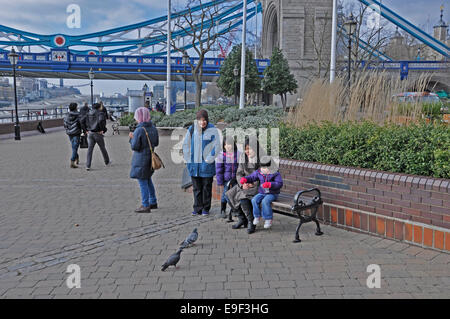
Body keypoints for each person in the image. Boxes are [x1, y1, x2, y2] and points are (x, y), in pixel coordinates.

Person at [183, 109, 221, 216]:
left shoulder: (212, 129)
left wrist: (209, 158)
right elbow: (186, 145)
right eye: (200, 120)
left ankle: (205, 208)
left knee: (206, 188)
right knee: (196, 188)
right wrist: (188, 160)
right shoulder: (191, 129)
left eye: (204, 120)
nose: (202, 122)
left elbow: (217, 145)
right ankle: (197, 208)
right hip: (194, 165)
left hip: (206, 165)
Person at [226, 136, 263, 234]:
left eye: (249, 149)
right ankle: (242, 218)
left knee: (243, 197)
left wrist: (252, 184)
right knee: (229, 194)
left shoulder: (262, 159)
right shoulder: (243, 157)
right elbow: (239, 173)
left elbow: (264, 176)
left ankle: (251, 221)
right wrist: (242, 184)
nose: (247, 151)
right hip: (244, 184)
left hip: (258, 186)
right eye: (245, 149)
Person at [129, 107, 159, 213]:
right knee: (148, 179)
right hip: (150, 159)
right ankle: (153, 201)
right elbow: (156, 142)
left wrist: (132, 138)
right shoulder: (153, 128)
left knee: (142, 182)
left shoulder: (139, 129)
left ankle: (145, 205)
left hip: (141, 159)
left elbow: (135, 146)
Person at [240, 157, 283, 230]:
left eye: (265, 167)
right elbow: (252, 177)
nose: (263, 169)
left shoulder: (275, 173)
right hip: (262, 192)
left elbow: (279, 183)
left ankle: (268, 219)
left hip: (272, 193)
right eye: (262, 167)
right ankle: (257, 216)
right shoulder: (259, 172)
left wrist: (270, 184)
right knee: (254, 200)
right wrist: (246, 179)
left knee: (265, 201)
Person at [215, 135, 239, 219]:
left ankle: (234, 210)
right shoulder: (221, 155)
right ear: (224, 146)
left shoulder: (238, 154)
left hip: (236, 179)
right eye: (226, 144)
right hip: (226, 179)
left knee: (235, 194)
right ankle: (222, 209)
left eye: (230, 144)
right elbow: (219, 170)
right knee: (225, 195)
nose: (228, 146)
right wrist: (220, 181)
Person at [82, 102, 110, 171]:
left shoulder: (88, 113)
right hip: (98, 133)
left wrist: (85, 130)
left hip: (90, 133)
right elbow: (101, 121)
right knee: (102, 148)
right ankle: (107, 161)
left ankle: (88, 165)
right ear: (99, 107)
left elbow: (82, 121)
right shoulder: (100, 113)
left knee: (90, 150)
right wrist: (103, 130)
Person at [63, 103, 82, 168]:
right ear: (75, 108)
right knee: (75, 147)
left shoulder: (66, 115)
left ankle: (77, 158)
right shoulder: (78, 115)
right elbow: (81, 124)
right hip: (76, 132)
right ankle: (72, 161)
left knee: (73, 146)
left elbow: (65, 124)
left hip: (69, 133)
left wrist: (67, 129)